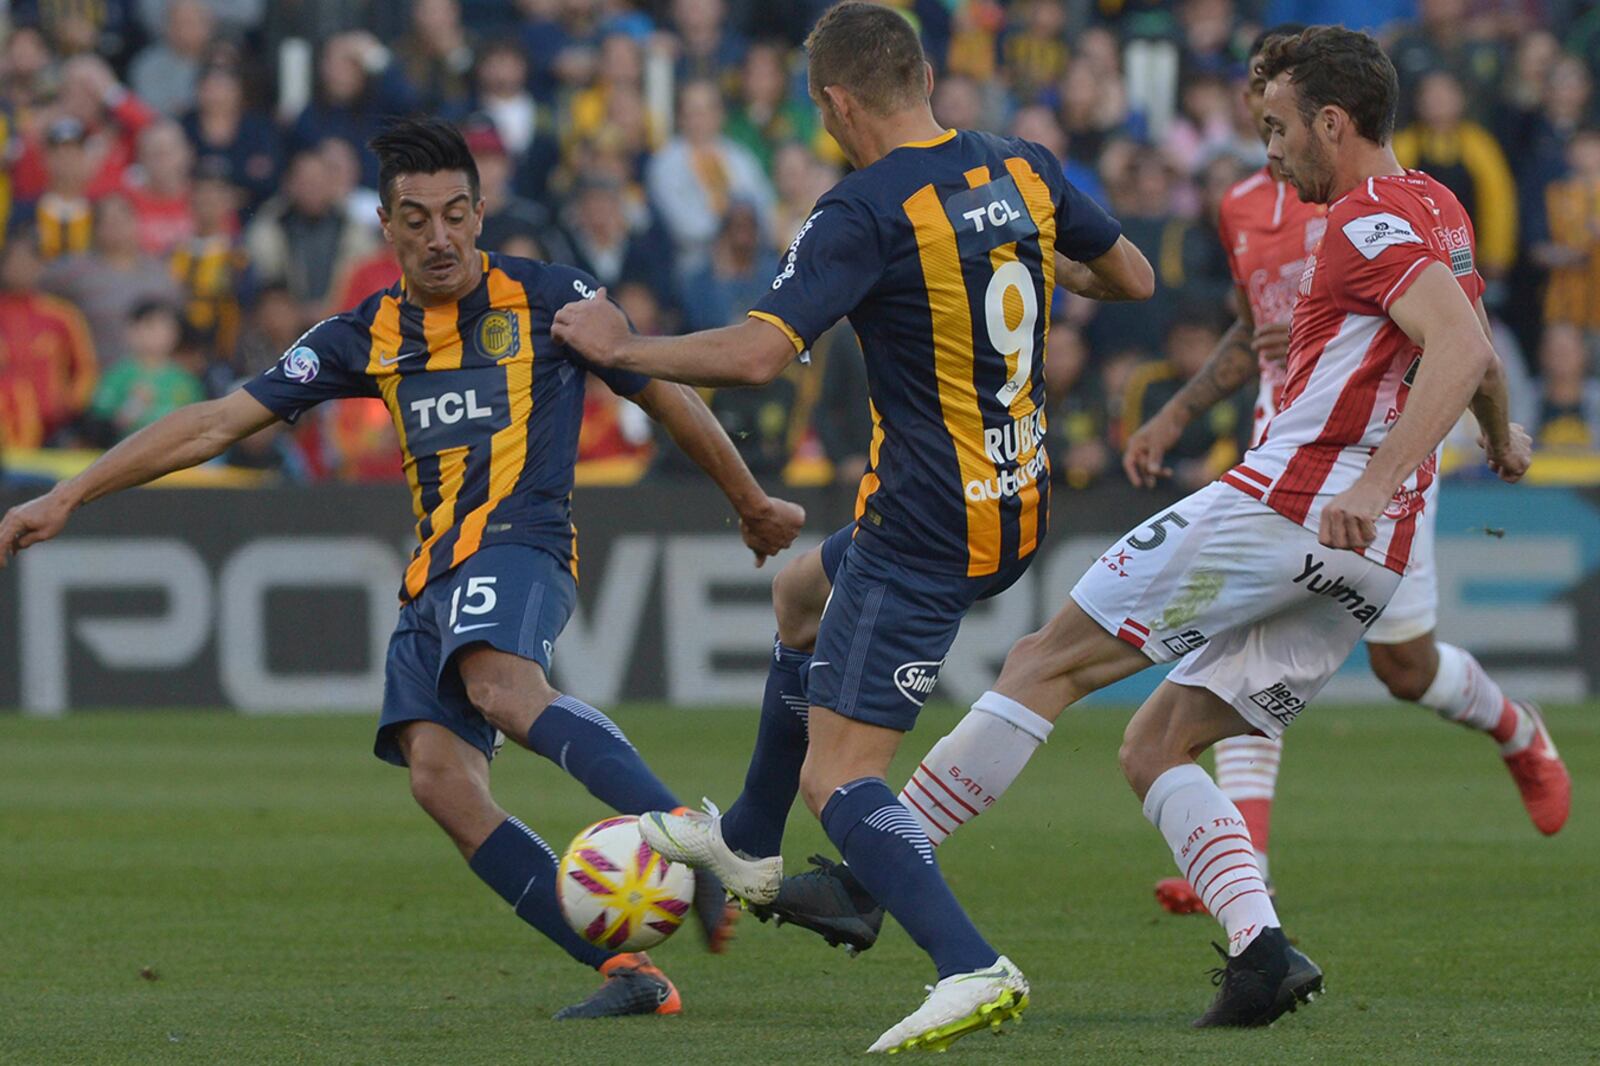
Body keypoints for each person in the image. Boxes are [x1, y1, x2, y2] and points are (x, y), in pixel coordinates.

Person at [728, 24, 1551, 1031]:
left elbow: (1459, 343)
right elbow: (1477, 357)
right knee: (1155, 743)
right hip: (1360, 565)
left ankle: (870, 880)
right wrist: (1500, 440)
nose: (1270, 148)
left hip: (1286, 509)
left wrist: (1376, 480)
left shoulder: (1367, 219)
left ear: (1334, 123)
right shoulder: (1437, 205)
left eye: (1280, 127)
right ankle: (1262, 953)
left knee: (1042, 663)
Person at [0, 117, 806, 1020]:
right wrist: (69, 495)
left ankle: (700, 845)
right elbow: (216, 422)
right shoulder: (364, 333)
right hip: (432, 578)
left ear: (481, 211)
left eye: (456, 214)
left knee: (502, 687)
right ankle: (630, 975)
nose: (440, 237)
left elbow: (665, 394)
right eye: (416, 219)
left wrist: (750, 500)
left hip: (522, 544)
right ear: (386, 227)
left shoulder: (554, 300)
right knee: (441, 782)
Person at [551, 3, 1152, 1052]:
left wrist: (623, 343)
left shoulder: (861, 210)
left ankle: (971, 963)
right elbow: (1130, 276)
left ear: (832, 101)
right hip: (1014, 497)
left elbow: (752, 354)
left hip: (924, 526)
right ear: (920, 75)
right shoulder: (1021, 166)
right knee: (796, 593)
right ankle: (746, 839)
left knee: (842, 776)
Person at [1123, 25, 1570, 917]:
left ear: (1325, 114)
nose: (1269, 126)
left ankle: (1518, 729)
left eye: (1279, 103)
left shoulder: (1392, 200)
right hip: (1280, 444)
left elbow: (1462, 338)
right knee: (1238, 642)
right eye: (1259, 102)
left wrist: (1495, 431)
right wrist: (1176, 410)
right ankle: (1244, 874)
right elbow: (1252, 330)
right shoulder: (1246, 205)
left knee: (1404, 669)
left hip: (1384, 456)